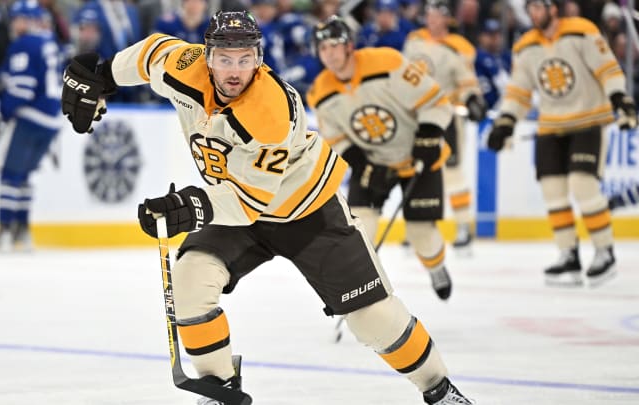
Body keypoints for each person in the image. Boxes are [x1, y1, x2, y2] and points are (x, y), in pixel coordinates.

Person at [60, 10, 475, 405]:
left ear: (259, 59)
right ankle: (219, 387)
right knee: (190, 279)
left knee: (373, 319)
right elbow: (152, 52)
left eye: (245, 59)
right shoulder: (182, 66)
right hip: (232, 205)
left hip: (306, 210)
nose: (235, 70)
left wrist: (188, 207)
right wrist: (101, 74)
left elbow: (250, 202)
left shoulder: (271, 109)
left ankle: (439, 389)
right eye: (224, 58)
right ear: (207, 56)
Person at [487, 0, 637, 287]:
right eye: (529, 9)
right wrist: (505, 122)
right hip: (550, 125)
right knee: (553, 193)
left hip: (588, 121)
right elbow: (519, 92)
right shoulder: (525, 46)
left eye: (538, 8)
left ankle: (604, 251)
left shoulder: (582, 32)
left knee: (583, 186)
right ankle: (568, 254)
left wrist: (620, 99)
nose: (533, 14)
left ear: (553, 8)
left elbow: (608, 70)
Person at [307, 16, 456, 301]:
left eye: (334, 45)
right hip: (374, 161)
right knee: (359, 227)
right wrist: (363, 165)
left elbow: (434, 99)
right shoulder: (319, 91)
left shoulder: (387, 61)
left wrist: (428, 133)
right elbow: (337, 139)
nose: (329, 53)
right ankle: (361, 286)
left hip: (418, 156)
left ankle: (436, 267)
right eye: (322, 48)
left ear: (349, 45)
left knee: (421, 233)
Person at [403, 0, 487, 251]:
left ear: (447, 19)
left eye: (436, 14)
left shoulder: (459, 47)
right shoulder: (413, 39)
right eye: (428, 13)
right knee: (413, 170)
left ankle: (462, 226)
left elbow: (467, 80)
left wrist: (473, 98)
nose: (431, 18)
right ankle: (416, 227)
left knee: (452, 172)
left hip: (445, 116)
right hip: (414, 116)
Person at [0, 0, 63, 252]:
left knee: (10, 175)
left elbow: (23, 89)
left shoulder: (24, 44)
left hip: (32, 117)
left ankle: (5, 233)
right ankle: (23, 231)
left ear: (25, 20)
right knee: (24, 177)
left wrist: (1, 114)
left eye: (16, 19)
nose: (13, 24)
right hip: (52, 121)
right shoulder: (48, 42)